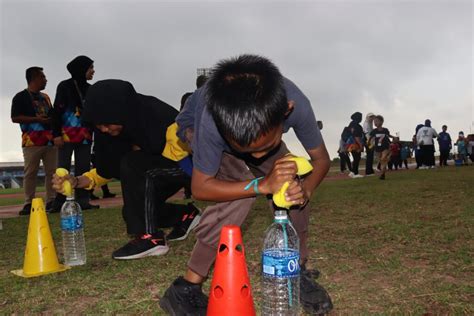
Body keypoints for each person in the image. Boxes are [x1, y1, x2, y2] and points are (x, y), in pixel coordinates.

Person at [159, 55, 333, 315]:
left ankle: (298, 272)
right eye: (249, 150)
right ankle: (186, 287)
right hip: (194, 126)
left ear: (285, 112)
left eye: (265, 147)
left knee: (290, 186)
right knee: (239, 194)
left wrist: (304, 190)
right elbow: (202, 188)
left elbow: (321, 160)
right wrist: (260, 185)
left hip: (243, 130)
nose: (258, 156)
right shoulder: (211, 120)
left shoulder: (297, 104)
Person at [53, 80, 200, 260]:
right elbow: (104, 171)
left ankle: (150, 239)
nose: (104, 129)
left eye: (107, 123)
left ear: (121, 112)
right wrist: (75, 181)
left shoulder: (157, 116)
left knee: (134, 163)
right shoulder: (110, 131)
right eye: (99, 125)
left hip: (188, 167)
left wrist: (202, 184)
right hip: (156, 172)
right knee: (133, 211)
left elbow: (186, 161)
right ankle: (186, 214)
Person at [51, 55, 98, 211]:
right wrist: (56, 134)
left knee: (84, 168)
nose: (93, 71)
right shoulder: (64, 86)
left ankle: (83, 200)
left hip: (85, 135)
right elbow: (56, 111)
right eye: (90, 68)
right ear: (82, 69)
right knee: (62, 168)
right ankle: (59, 201)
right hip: (66, 135)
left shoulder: (91, 89)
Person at [11, 67, 57, 215]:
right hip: (31, 141)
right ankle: (28, 202)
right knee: (30, 172)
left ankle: (51, 200)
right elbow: (15, 118)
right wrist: (36, 119)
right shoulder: (20, 97)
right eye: (43, 77)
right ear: (35, 78)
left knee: (52, 172)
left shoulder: (46, 97)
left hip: (49, 141)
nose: (46, 80)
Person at [369, 115, 392, 180]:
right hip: (377, 148)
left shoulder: (385, 130)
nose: (375, 123)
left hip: (385, 147)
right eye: (374, 121)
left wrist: (393, 138)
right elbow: (370, 139)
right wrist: (370, 145)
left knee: (383, 158)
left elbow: (388, 136)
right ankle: (383, 174)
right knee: (382, 162)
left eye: (376, 121)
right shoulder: (374, 131)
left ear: (381, 122)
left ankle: (382, 174)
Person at [347, 112, 364, 178]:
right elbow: (357, 136)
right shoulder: (357, 126)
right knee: (357, 158)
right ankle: (355, 173)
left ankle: (352, 172)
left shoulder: (351, 124)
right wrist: (361, 145)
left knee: (355, 157)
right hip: (356, 144)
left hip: (350, 143)